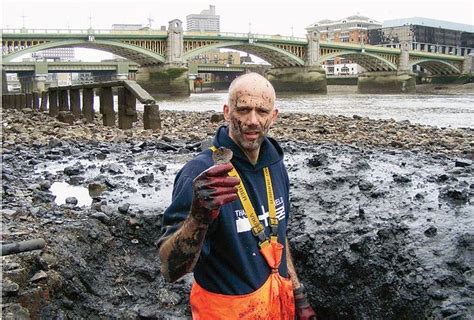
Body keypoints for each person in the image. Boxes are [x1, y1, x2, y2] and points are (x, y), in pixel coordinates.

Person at [158, 73, 317, 319]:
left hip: (277, 305)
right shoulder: (200, 175)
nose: (252, 120)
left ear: (273, 117)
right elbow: (170, 269)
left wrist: (299, 295)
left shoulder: (275, 166)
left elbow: (278, 235)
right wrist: (198, 218)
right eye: (243, 109)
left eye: (262, 111)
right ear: (227, 112)